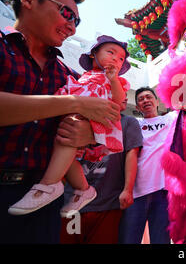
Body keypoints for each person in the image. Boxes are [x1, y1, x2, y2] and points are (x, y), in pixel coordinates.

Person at [0, 0, 120, 244]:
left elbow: (105, 122)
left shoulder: (69, 75)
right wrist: (74, 103)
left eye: (77, 21)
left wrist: (87, 135)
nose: (72, 28)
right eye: (67, 14)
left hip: (41, 198)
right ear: (28, 0)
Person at [8, 34, 130, 216]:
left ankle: (48, 185)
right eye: (110, 52)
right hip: (74, 115)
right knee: (66, 152)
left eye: (121, 58)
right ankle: (83, 189)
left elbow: (119, 100)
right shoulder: (83, 76)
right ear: (93, 54)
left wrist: (113, 79)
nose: (116, 59)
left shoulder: (115, 80)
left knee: (66, 141)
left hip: (91, 118)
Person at [60, 97, 142, 244]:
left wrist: (128, 189)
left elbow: (132, 154)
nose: (124, 97)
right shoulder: (78, 118)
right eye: (118, 91)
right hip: (71, 203)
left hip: (108, 203)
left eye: (124, 93)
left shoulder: (128, 122)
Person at [118, 87, 177, 244]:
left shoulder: (171, 118)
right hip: (135, 192)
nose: (145, 100)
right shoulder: (133, 123)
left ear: (157, 102)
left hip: (163, 191)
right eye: (141, 99)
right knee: (129, 239)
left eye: (149, 97)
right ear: (137, 107)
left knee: (161, 241)